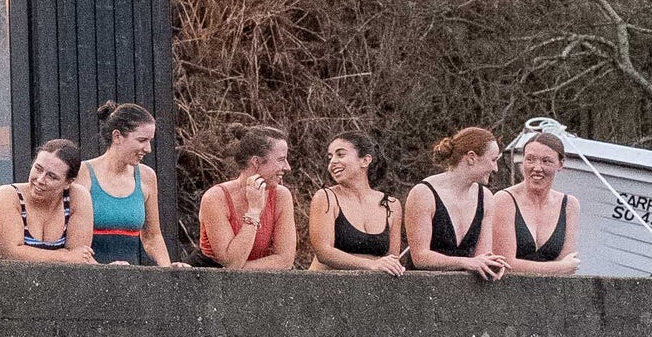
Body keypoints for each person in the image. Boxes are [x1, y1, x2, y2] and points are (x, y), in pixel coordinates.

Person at [68, 101, 178, 268]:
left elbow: (152, 237)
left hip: (130, 278)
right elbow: (72, 242)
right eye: (142, 140)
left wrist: (169, 270)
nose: (148, 149)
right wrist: (104, 271)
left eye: (150, 141)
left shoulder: (147, 176)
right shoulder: (82, 173)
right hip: (87, 275)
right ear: (117, 136)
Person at [404, 126, 505, 279]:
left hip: (463, 292)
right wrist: (467, 262)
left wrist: (492, 265)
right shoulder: (423, 194)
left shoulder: (486, 197)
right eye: (493, 160)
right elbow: (420, 257)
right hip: (422, 290)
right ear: (471, 157)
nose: (496, 168)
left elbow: (482, 257)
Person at [198, 126, 298, 272]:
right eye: (281, 160)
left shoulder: (281, 196)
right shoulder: (215, 198)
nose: (287, 167)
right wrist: (254, 210)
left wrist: (241, 269)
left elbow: (285, 260)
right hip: (209, 283)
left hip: (252, 280)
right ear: (256, 162)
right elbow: (232, 262)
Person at [307, 131, 403, 272]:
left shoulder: (391, 204)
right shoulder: (325, 197)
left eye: (340, 154)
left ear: (365, 160)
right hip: (325, 287)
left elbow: (391, 259)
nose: (332, 162)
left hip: (370, 290)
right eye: (330, 157)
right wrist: (371, 264)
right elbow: (324, 252)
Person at [494, 122, 580, 276]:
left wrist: (564, 267)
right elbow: (504, 264)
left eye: (546, 161)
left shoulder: (569, 204)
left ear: (560, 164)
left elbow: (569, 264)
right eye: (530, 159)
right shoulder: (504, 200)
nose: (537, 167)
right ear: (522, 162)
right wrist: (559, 268)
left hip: (552, 294)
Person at [0, 138, 87, 264]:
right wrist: (65, 256)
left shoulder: (77, 196)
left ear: (68, 182)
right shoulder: (8, 195)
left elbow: (80, 256)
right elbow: (8, 253)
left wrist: (26, 252)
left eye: (51, 176)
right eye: (38, 169)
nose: (40, 179)